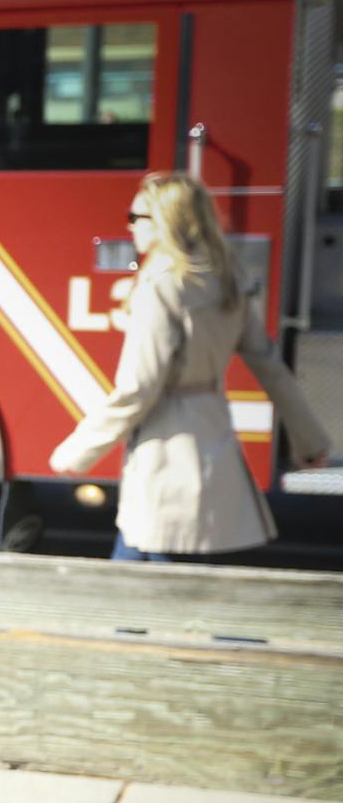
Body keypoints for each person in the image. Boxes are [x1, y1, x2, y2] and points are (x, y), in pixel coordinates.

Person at [50, 172, 333, 559]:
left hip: (165, 450)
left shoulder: (161, 286)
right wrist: (310, 439)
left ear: (164, 222)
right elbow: (270, 366)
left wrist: (78, 451)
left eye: (136, 218)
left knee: (142, 584)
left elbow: (137, 388)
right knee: (160, 575)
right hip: (212, 435)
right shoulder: (226, 276)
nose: (129, 227)